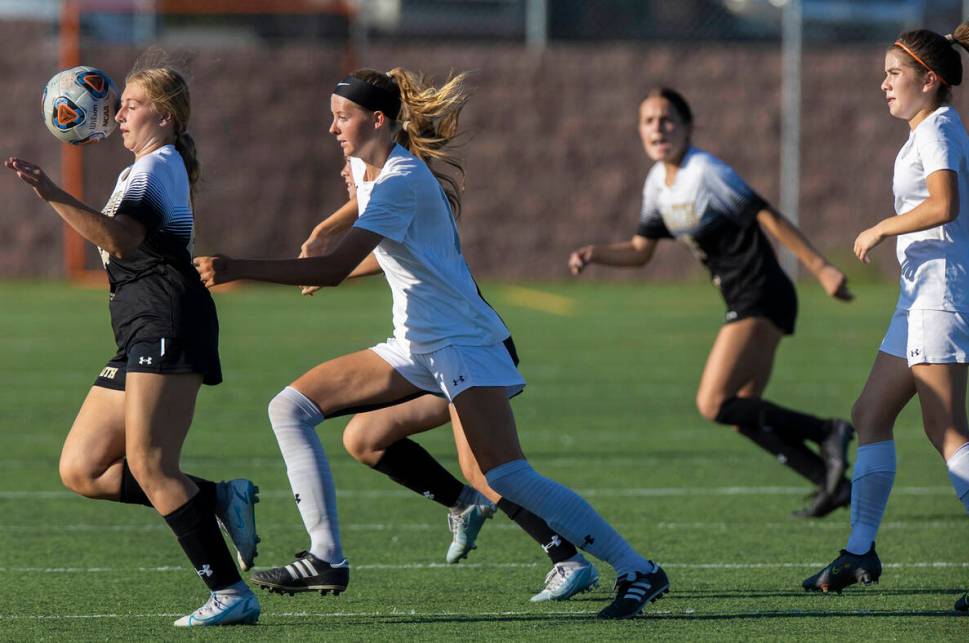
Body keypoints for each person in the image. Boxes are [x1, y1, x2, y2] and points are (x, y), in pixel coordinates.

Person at [194, 67, 667, 619]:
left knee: (504, 474)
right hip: (414, 345)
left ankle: (638, 569)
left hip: (463, 344)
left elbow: (334, 267)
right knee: (290, 407)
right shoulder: (366, 164)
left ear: (377, 120)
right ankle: (326, 558)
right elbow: (360, 212)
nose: (331, 127)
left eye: (341, 117)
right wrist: (328, 223)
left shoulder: (402, 181)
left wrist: (235, 267)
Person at [4, 63, 260, 627]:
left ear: (164, 117)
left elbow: (121, 240)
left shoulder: (158, 166)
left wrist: (50, 192)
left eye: (131, 104)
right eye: (118, 104)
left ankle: (230, 593)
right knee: (83, 468)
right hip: (142, 327)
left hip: (168, 320)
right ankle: (217, 498)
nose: (118, 112)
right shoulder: (140, 169)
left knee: (150, 463)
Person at [299, 160, 600, 602]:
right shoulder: (377, 182)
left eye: (348, 163)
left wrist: (331, 264)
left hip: (470, 348)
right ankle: (463, 503)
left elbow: (376, 231)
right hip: (431, 356)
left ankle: (568, 559)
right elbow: (368, 221)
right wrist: (327, 235)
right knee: (365, 437)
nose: (345, 171)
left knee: (486, 468)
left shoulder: (396, 180)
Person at [568, 87, 856, 518]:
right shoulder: (658, 184)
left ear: (687, 127)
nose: (657, 128)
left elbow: (766, 214)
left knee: (712, 403)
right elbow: (640, 251)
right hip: (746, 295)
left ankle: (828, 431)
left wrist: (823, 268)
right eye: (648, 121)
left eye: (667, 119)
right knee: (741, 412)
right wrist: (595, 253)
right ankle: (831, 484)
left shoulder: (705, 172)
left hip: (760, 291)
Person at [803, 17, 969, 612]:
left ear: (929, 80)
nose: (884, 84)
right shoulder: (926, 129)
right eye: (884, 74)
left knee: (946, 430)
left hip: (941, 295)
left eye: (895, 73)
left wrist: (881, 227)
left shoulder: (939, 127)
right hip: (918, 295)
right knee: (869, 414)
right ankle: (859, 552)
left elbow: (945, 202)